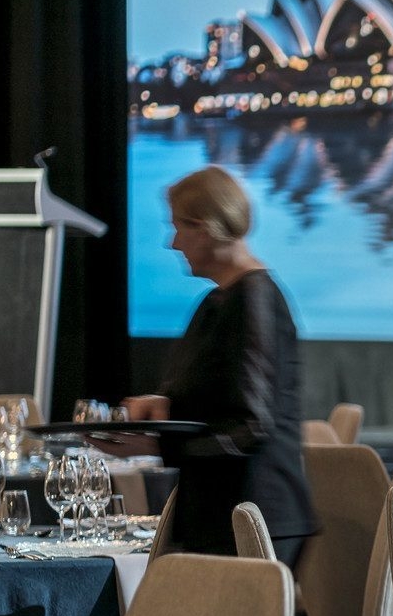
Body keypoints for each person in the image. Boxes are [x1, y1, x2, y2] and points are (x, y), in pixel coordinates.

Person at [121, 165, 317, 567]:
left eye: (177, 227)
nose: (172, 243)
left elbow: (251, 427)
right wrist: (159, 408)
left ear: (205, 228)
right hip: (223, 513)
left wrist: (158, 444)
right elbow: (216, 401)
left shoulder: (254, 299)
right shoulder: (218, 301)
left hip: (254, 519)